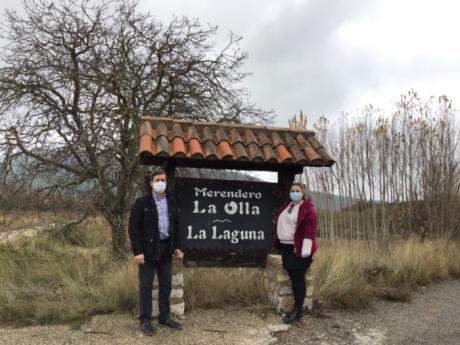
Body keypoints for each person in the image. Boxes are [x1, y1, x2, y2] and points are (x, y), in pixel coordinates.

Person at [128, 168, 184, 335]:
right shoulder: (142, 203)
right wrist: (137, 251)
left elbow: (177, 226)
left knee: (166, 284)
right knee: (146, 285)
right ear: (151, 183)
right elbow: (133, 228)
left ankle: (164, 317)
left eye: (163, 180)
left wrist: (177, 246)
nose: (161, 183)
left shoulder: (172, 202)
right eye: (158, 180)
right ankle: (145, 320)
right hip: (147, 250)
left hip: (166, 248)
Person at [273, 182, 318, 324]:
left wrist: (305, 250)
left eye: (297, 190)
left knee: (298, 280)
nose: (294, 192)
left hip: (299, 249)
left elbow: (309, 230)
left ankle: (297, 310)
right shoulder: (287, 206)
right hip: (286, 248)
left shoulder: (308, 209)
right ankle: (298, 310)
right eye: (292, 190)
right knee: (293, 279)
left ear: (303, 193)